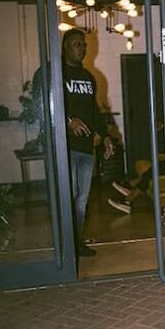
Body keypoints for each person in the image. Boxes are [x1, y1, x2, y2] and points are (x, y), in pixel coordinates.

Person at [58, 28, 114, 256]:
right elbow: (50, 104)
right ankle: (66, 244)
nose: (82, 48)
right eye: (77, 44)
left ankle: (76, 242)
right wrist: (69, 120)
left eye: (83, 44)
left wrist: (105, 135)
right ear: (65, 47)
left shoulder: (88, 77)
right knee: (69, 196)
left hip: (86, 148)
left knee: (81, 200)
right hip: (65, 147)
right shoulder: (58, 74)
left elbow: (94, 110)